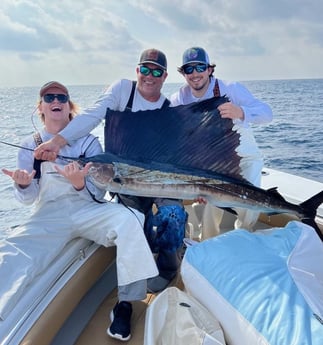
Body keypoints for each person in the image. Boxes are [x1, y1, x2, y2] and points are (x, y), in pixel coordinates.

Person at [1, 81, 159, 342]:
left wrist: (79, 184)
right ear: (40, 106)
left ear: (69, 106)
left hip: (87, 209)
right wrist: (22, 183)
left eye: (62, 98)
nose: (56, 101)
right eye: (49, 97)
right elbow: (28, 200)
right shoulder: (31, 144)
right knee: (12, 251)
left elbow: (99, 194)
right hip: (49, 215)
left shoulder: (88, 143)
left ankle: (126, 304)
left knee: (131, 219)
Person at [33, 50, 187, 293]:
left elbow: (176, 154)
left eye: (156, 71)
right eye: (145, 69)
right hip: (122, 180)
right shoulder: (122, 91)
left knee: (173, 215)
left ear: (165, 76)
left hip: (158, 181)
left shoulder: (168, 109)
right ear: (137, 71)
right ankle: (148, 251)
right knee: (132, 221)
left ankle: (168, 267)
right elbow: (93, 115)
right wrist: (58, 141)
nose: (149, 76)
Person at [170, 47, 273, 236]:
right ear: (183, 73)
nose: (195, 74)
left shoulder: (231, 88)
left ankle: (242, 238)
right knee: (208, 207)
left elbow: (267, 113)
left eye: (200, 67)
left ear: (209, 69)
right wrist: (195, 182)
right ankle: (208, 244)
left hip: (245, 160)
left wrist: (241, 112)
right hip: (211, 165)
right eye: (189, 69)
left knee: (249, 205)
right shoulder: (179, 99)